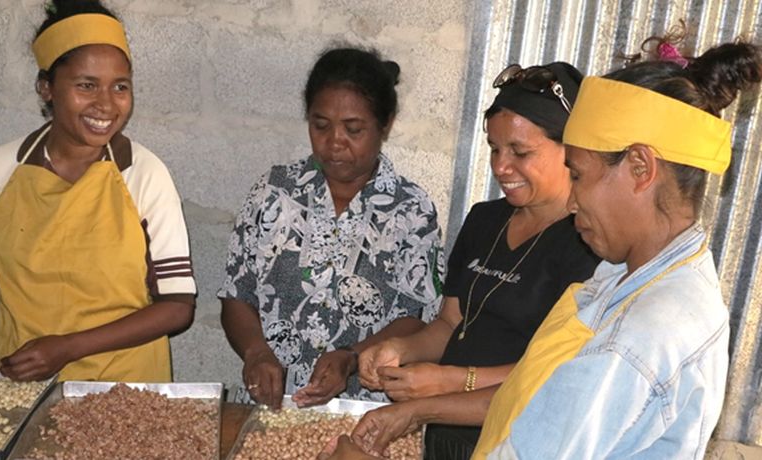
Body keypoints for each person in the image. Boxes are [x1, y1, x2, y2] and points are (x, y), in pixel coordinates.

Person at [325, 39, 762, 460]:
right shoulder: (635, 277)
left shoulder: (636, 337)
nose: (572, 202)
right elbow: (536, 389)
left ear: (640, 168)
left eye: (579, 174)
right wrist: (418, 407)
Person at [355, 61, 599, 459]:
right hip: (443, 433)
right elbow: (451, 323)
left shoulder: (588, 244)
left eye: (520, 151)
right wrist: (401, 350)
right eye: (495, 148)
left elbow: (553, 374)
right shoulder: (484, 220)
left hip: (514, 440)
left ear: (570, 150)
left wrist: (450, 382)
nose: (501, 166)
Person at [0, 0, 196, 382]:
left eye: (120, 87)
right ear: (46, 88)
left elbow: (177, 306)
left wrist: (68, 348)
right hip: (19, 382)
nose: (105, 104)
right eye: (86, 85)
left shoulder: (144, 175)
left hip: (123, 390)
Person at [218, 47, 444, 409]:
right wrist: (256, 352)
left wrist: (352, 357)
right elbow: (237, 294)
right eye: (320, 126)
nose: (335, 142)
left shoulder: (411, 209)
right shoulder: (274, 193)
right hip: (274, 404)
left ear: (384, 125)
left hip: (363, 411)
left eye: (354, 129)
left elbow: (416, 317)